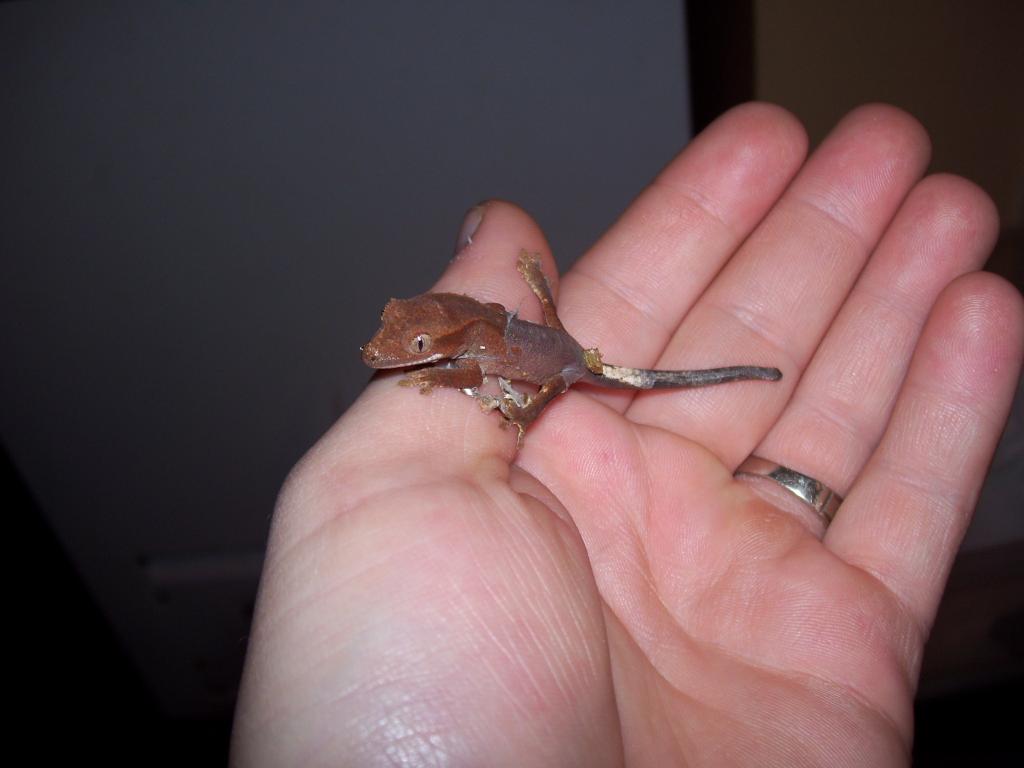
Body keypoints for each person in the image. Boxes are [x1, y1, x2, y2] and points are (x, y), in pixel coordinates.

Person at [230, 103, 1022, 766]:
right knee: (585, 372)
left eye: (410, 349)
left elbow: (491, 367)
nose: (387, 355)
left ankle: (577, 383)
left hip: (562, 363)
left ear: (443, 339)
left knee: (567, 381)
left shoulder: (477, 351)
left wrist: (479, 384)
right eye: (403, 342)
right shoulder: (469, 332)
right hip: (553, 345)